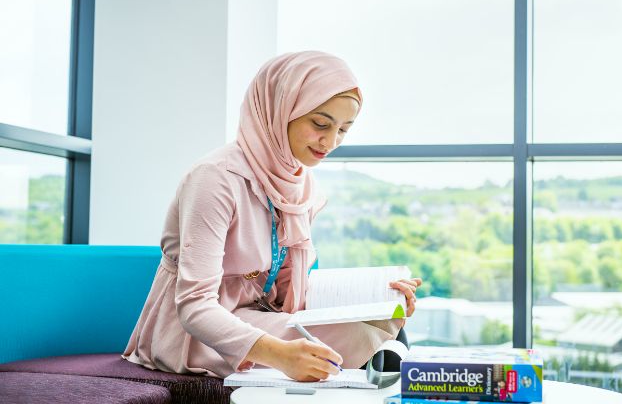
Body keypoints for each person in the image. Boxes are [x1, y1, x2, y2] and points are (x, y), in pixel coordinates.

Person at [123, 51, 423, 382]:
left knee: (380, 325)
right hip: (198, 334)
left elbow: (287, 294)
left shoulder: (300, 183)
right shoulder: (215, 179)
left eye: (344, 130)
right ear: (280, 110)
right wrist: (280, 355)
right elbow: (194, 307)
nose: (331, 141)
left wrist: (382, 299)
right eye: (320, 124)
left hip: (259, 316)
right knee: (360, 340)